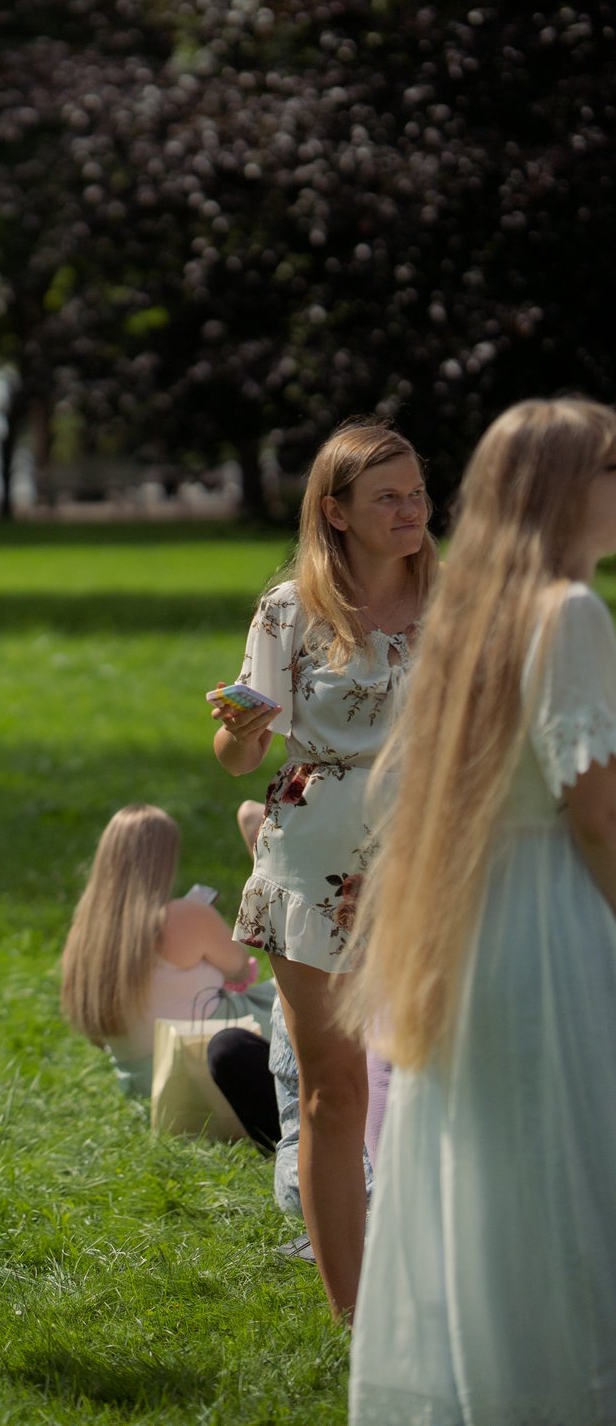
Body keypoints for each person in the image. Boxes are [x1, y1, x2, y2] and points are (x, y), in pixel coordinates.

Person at [347, 397, 616, 1423]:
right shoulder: (567, 612)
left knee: (490, 1183)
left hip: (472, 928)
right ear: (563, 488)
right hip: (556, 917)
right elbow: (592, 808)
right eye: (608, 466)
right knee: (570, 1177)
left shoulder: (462, 618)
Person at [209, 419, 432, 1323]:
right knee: (335, 1090)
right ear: (335, 513)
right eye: (390, 497)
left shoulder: (455, 598)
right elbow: (232, 755)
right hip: (315, 861)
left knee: (441, 1077)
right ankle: (357, 1313)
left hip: (431, 856)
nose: (412, 510)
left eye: (418, 492)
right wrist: (241, 732)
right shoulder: (289, 610)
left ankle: (450, 1271)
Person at [59, 804, 275, 1145]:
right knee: (307, 991)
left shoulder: (86, 935)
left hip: (145, 1086)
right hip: (205, 1066)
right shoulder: (184, 916)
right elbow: (238, 966)